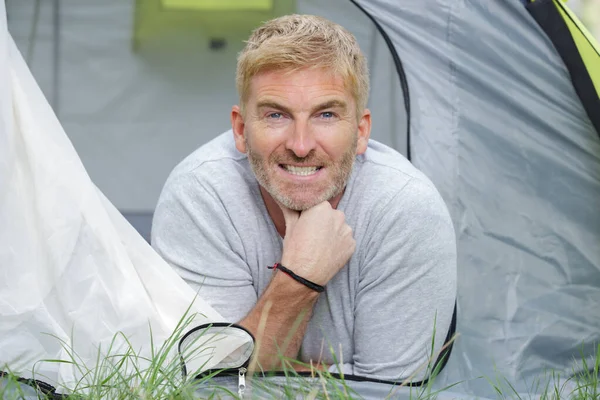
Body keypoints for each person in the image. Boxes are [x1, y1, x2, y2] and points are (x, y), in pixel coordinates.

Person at [151, 14, 457, 382]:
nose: (300, 145)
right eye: (276, 115)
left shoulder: (405, 207)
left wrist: (261, 368)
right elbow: (206, 381)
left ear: (360, 132)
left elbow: (394, 391)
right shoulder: (201, 194)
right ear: (241, 129)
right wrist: (300, 277)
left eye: (326, 115)